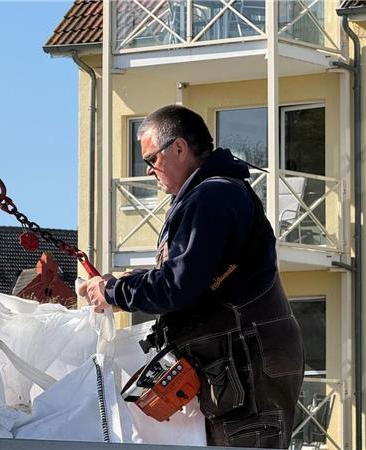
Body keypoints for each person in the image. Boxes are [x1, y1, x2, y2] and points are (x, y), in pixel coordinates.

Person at [78, 105, 304, 448]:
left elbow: (177, 286)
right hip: (241, 368)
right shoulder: (215, 194)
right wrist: (127, 283)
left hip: (246, 371)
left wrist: (114, 291)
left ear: (179, 148)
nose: (149, 171)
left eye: (151, 159)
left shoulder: (211, 197)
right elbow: (192, 276)